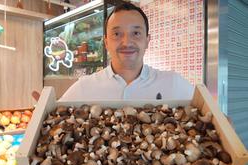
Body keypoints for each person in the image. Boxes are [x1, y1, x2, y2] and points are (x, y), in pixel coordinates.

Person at [59, 2, 194, 101]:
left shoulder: (174, 84)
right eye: (117, 34)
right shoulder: (83, 88)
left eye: (136, 33)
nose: (127, 42)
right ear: (106, 42)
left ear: (147, 40)